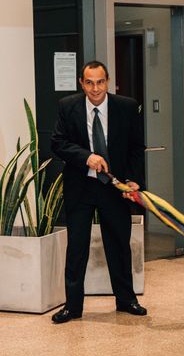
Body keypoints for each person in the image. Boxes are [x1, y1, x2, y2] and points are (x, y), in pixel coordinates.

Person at [50, 60, 147, 324]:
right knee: (77, 247)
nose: (95, 88)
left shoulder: (126, 107)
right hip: (80, 187)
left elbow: (136, 148)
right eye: (89, 82)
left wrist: (133, 181)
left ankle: (127, 300)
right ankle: (72, 307)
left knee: (118, 244)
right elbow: (57, 143)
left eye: (100, 82)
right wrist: (87, 157)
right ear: (81, 83)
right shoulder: (68, 106)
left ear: (108, 81)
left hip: (114, 188)